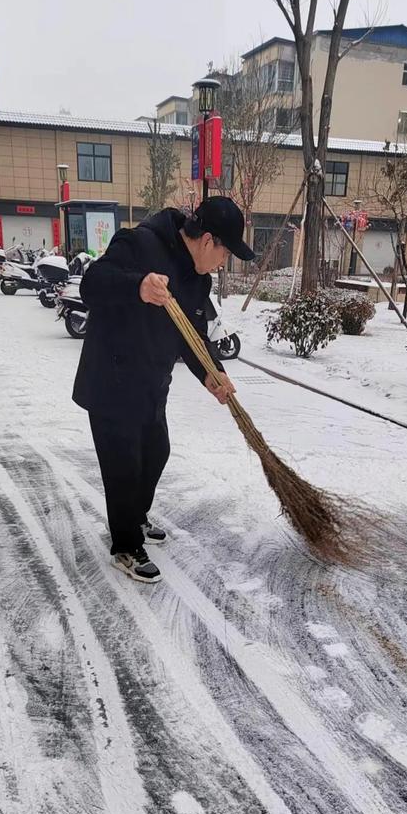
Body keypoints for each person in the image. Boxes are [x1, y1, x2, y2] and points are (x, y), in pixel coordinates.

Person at [72, 197, 255, 584]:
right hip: (112, 380)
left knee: (156, 451)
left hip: (151, 385)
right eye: (225, 253)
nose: (223, 264)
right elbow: (92, 285)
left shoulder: (196, 278)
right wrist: (137, 285)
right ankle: (125, 545)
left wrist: (212, 374)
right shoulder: (139, 244)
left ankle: (135, 517)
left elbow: (191, 335)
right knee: (124, 466)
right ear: (207, 240)